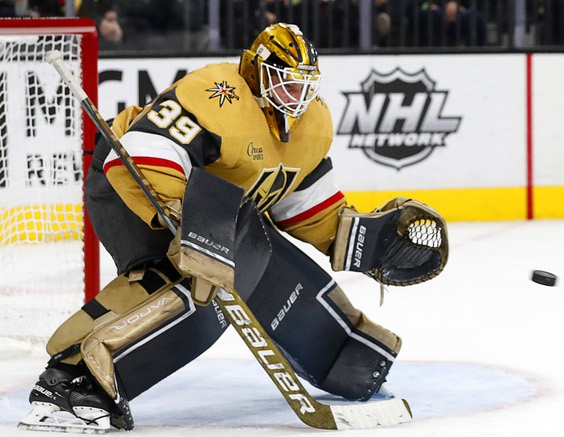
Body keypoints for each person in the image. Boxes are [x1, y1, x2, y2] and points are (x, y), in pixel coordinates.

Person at [17, 22, 447, 433]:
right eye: (286, 81)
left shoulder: (313, 121)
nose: (296, 96)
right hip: (128, 182)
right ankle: (71, 380)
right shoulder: (215, 92)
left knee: (258, 267)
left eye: (304, 84)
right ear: (257, 70)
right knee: (190, 286)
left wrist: (356, 239)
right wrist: (190, 222)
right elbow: (144, 151)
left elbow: (300, 200)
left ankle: (346, 358)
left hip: (220, 212)